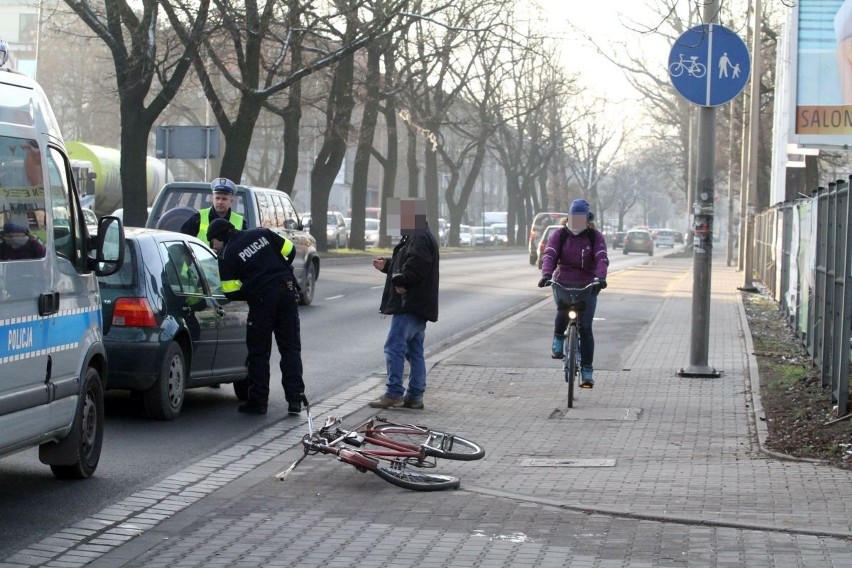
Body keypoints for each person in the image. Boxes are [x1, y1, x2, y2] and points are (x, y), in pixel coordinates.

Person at [207, 217, 305, 416]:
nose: (213, 247)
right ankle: (295, 400)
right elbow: (290, 250)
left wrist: (251, 290)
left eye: (213, 242)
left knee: (259, 353)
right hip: (286, 292)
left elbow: (230, 292)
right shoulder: (261, 233)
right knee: (290, 349)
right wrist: (280, 269)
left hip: (261, 302)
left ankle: (258, 403)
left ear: (218, 238)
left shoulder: (226, 255)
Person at [368, 198, 439, 410]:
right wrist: (388, 266)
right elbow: (410, 263)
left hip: (410, 304)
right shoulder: (418, 235)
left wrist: (400, 280)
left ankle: (393, 392)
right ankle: (415, 395)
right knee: (413, 350)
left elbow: (416, 266)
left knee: (394, 347)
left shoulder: (417, 237)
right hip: (419, 304)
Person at [537, 199, 609, 388]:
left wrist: (600, 278)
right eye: (573, 218)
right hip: (563, 282)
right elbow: (550, 254)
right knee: (562, 310)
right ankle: (558, 339)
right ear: (568, 218)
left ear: (587, 220)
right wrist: (546, 275)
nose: (577, 222)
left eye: (581, 218)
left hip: (588, 285)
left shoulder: (595, 237)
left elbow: (601, 257)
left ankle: (587, 371)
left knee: (585, 328)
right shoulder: (560, 236)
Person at [180, 178, 247, 244]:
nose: (220, 202)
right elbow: (183, 240)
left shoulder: (241, 222)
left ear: (231, 201)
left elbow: (244, 246)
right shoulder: (198, 217)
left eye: (224, 199)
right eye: (217, 198)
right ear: (212, 199)